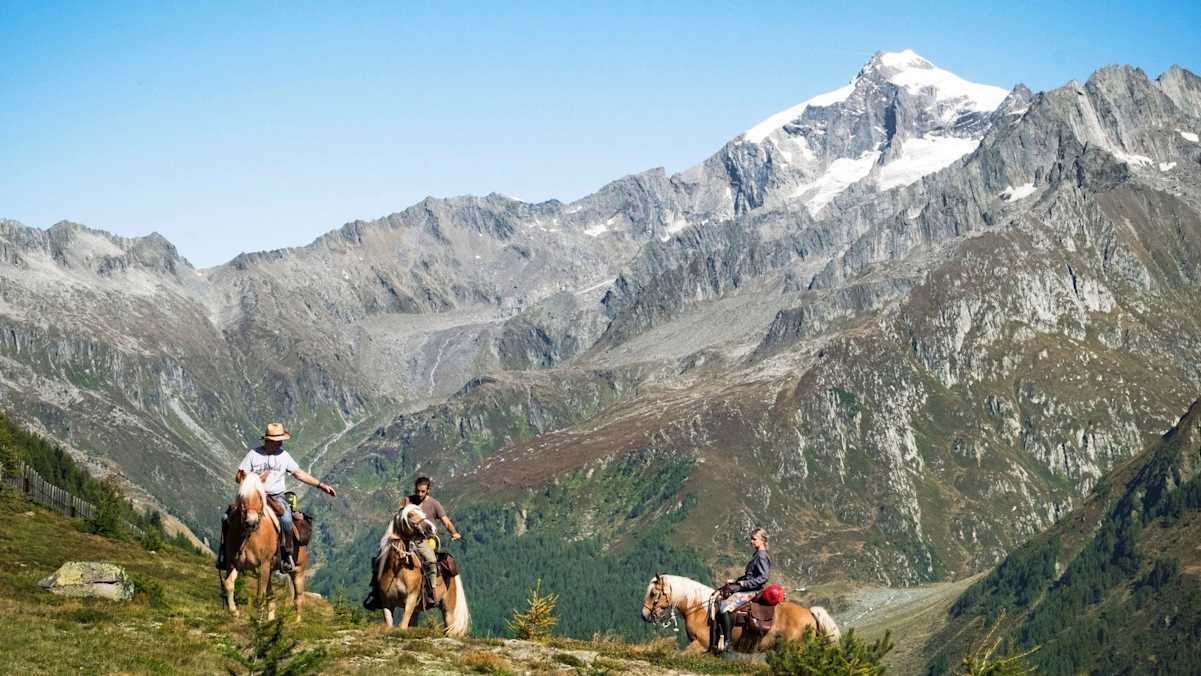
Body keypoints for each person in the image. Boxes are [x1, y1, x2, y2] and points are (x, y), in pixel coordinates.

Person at [218, 422, 337, 572]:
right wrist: (255, 478)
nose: (280, 443)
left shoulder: (284, 456)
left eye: (281, 440)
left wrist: (320, 485)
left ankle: (286, 554)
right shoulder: (253, 454)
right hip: (254, 496)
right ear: (268, 440)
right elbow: (238, 477)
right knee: (226, 517)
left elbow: (298, 473)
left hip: (276, 497)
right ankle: (225, 553)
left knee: (286, 519)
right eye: (277, 440)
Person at [404, 476, 462, 606]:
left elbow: (446, 521)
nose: (419, 494)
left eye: (423, 491)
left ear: (428, 490)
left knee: (431, 560)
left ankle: (431, 591)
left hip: (423, 540)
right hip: (407, 538)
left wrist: (454, 532)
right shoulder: (409, 501)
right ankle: (377, 591)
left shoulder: (434, 504)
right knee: (385, 552)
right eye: (418, 491)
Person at [713, 527, 771, 654]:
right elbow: (751, 575)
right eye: (751, 538)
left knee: (724, 607)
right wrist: (735, 581)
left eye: (754, 539)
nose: (751, 541)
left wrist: (744, 583)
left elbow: (763, 578)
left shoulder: (761, 556)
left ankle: (727, 641)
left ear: (762, 540)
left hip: (753, 591)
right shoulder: (757, 554)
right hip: (748, 587)